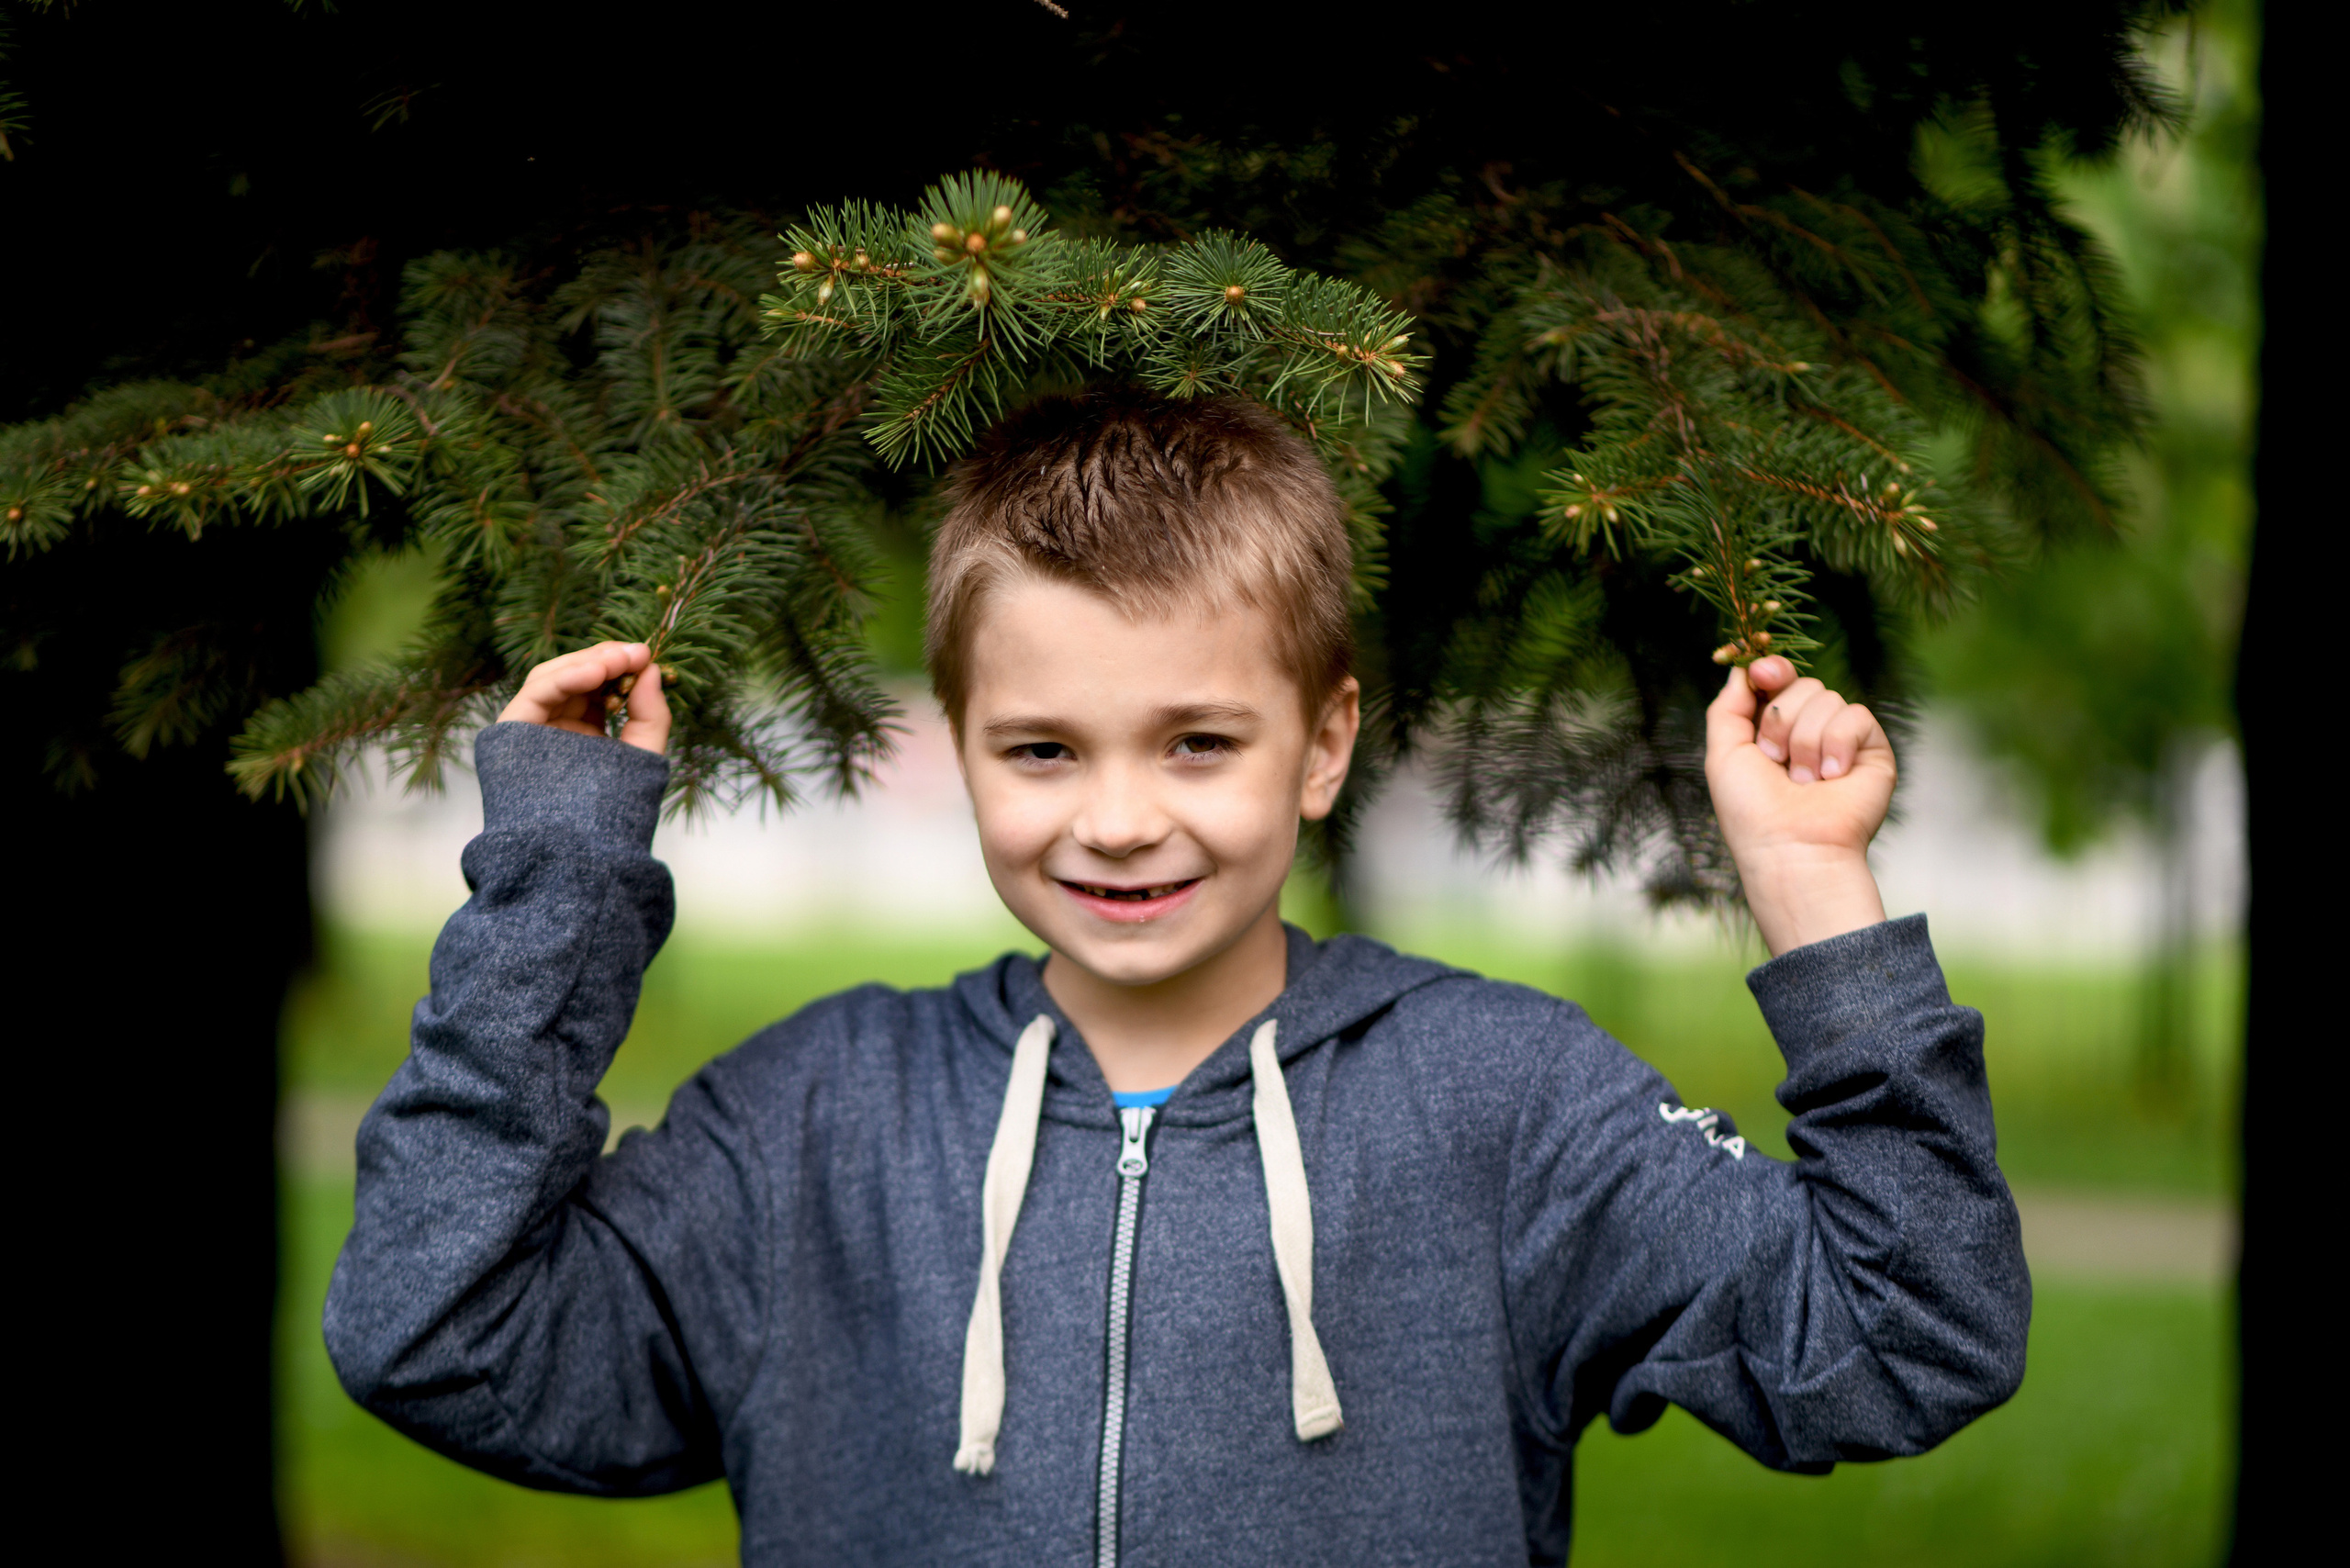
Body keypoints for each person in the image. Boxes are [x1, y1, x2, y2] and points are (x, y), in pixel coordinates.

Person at [325, 390, 2027, 1566]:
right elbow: (434, 1329)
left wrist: (1811, 888)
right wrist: (560, 871)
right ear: (966, 748)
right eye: (1046, 748)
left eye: (1199, 742)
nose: (1121, 821)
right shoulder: (815, 1122)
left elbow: (1908, 1337)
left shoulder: (1507, 1106)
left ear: (1322, 741)